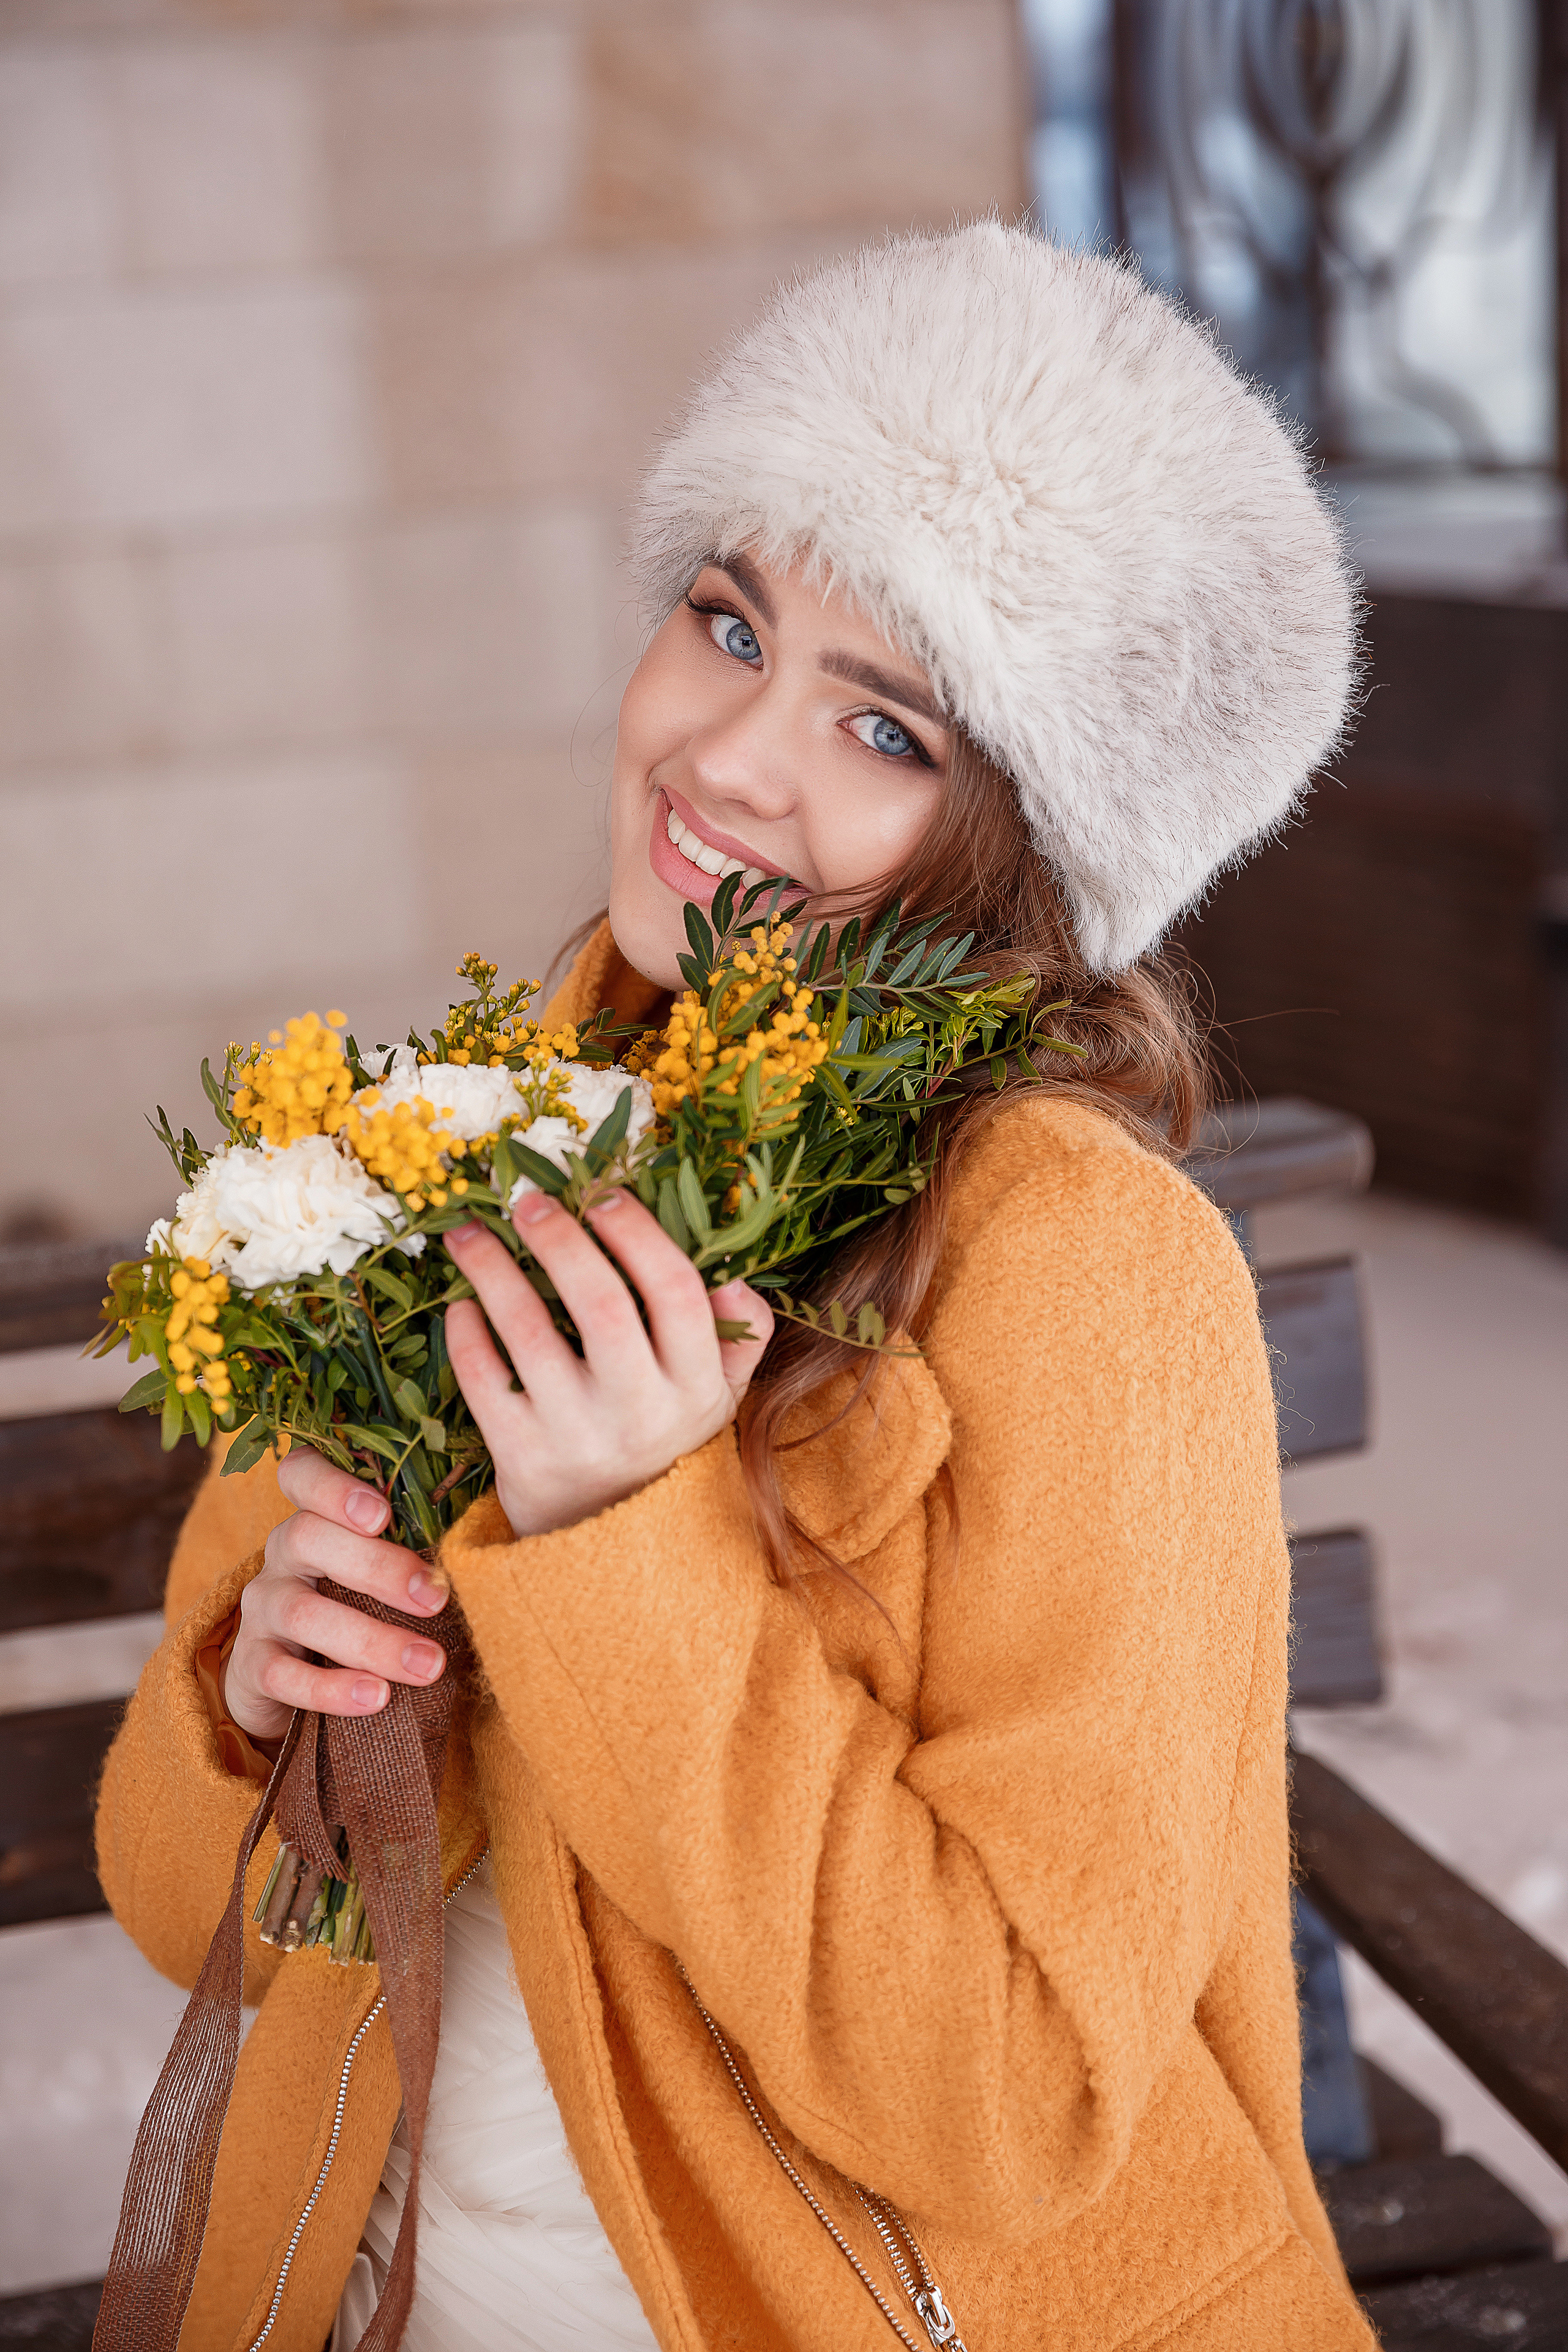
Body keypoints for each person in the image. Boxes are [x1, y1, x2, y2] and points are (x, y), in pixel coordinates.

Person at [97, 221, 1374, 2351]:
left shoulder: (1086, 1268)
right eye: (726, 622)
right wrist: (251, 1720)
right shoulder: (459, 1161)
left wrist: (624, 1545)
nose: (727, 758)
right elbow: (171, 1909)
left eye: (886, 729)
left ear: (1026, 852)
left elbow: (1011, 2101)